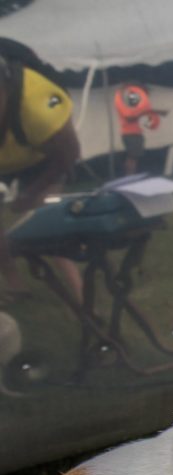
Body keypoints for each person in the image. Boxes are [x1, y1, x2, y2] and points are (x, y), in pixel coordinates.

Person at [0, 46, 81, 302]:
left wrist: (31, 193)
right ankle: (14, 280)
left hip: (44, 159)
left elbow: (68, 154)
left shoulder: (37, 102)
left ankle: (81, 295)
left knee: (48, 221)